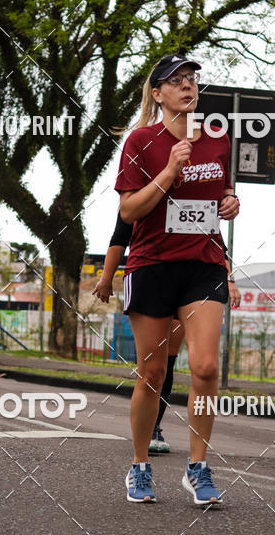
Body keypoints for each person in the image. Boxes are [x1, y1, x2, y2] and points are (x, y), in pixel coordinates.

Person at [114, 53, 240, 505]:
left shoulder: (217, 139)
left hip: (203, 264)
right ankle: (140, 467)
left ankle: (198, 466)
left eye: (192, 80)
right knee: (152, 372)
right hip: (152, 265)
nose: (188, 86)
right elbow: (128, 212)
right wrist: (169, 171)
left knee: (205, 367)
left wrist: (230, 201)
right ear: (157, 93)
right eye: (177, 81)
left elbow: (222, 191)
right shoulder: (141, 141)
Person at [93, 214, 241, 455]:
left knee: (170, 358)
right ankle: (143, 446)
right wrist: (106, 278)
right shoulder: (142, 198)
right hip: (152, 276)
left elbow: (217, 243)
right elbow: (120, 236)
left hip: (191, 283)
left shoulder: (196, 201)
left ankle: (156, 427)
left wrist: (230, 279)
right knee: (152, 368)